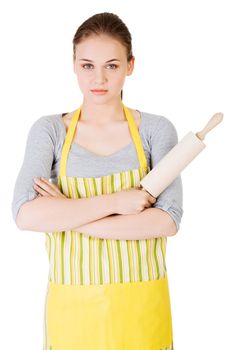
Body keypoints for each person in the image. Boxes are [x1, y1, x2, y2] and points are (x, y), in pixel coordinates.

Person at [11, 12, 183, 350]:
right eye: (88, 65)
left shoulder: (156, 130)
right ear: (73, 64)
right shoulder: (50, 131)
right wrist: (116, 203)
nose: (99, 78)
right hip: (73, 314)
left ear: (130, 65)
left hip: (141, 311)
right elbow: (25, 215)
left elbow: (167, 221)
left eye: (112, 66)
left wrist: (65, 215)